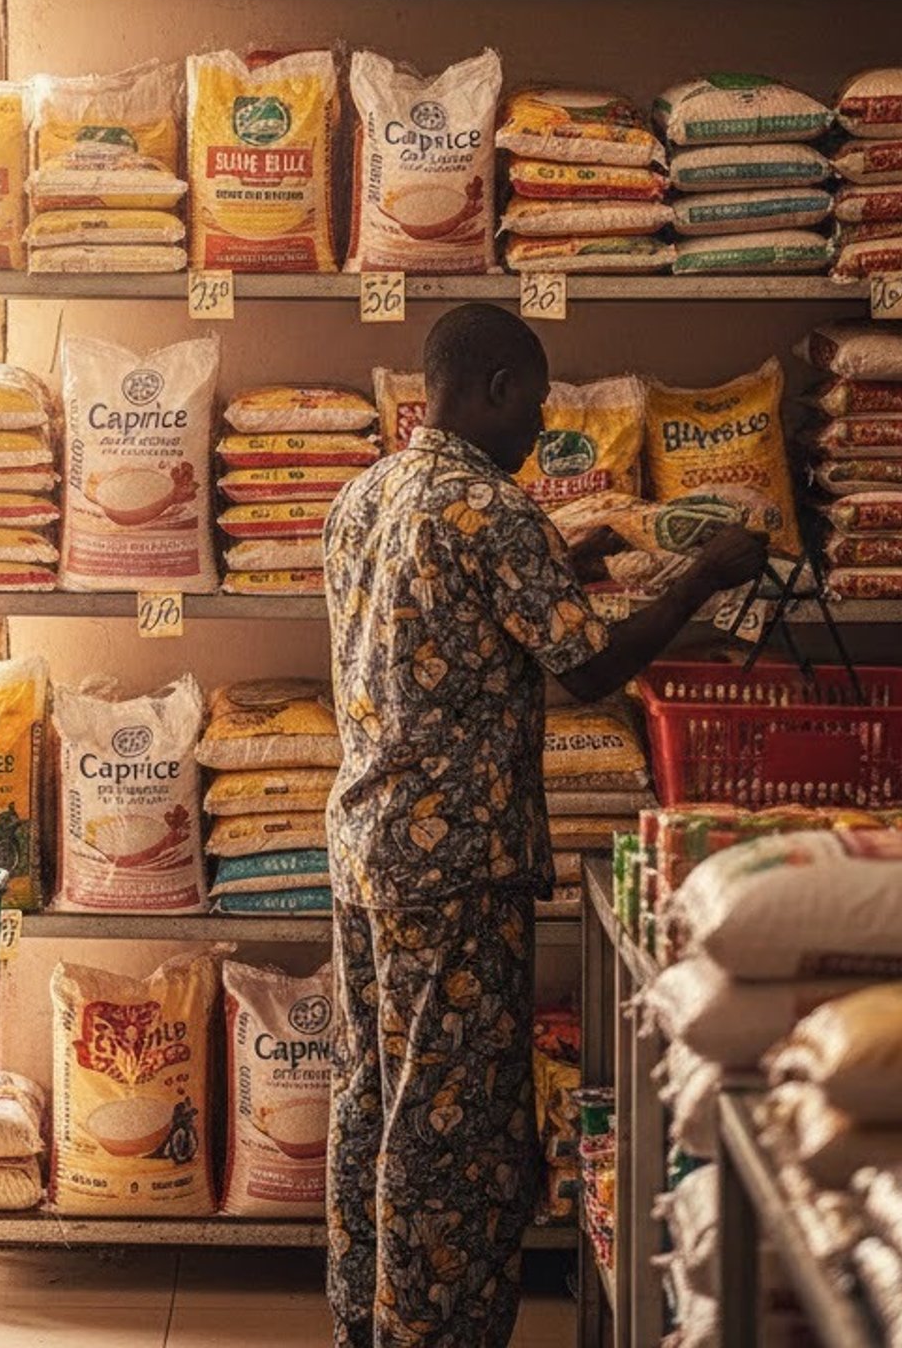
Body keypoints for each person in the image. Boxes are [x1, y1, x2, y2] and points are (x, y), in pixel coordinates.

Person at [321, 303, 767, 1348]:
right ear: (499, 390)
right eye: (536, 401)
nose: (537, 428)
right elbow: (588, 670)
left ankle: (364, 1320)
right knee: (452, 1125)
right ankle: (437, 1333)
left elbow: (455, 616)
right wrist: (702, 575)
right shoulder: (490, 508)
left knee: (372, 1097)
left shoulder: (367, 495)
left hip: (366, 848)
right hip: (457, 865)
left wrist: (580, 557)